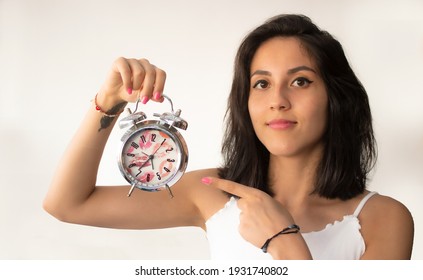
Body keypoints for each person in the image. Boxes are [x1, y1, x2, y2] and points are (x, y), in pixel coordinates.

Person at [43, 14, 414, 259]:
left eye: (300, 81)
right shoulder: (211, 192)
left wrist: (283, 240)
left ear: (336, 97)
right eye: (262, 84)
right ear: (245, 101)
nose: (278, 102)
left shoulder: (383, 219)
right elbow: (67, 204)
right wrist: (108, 103)